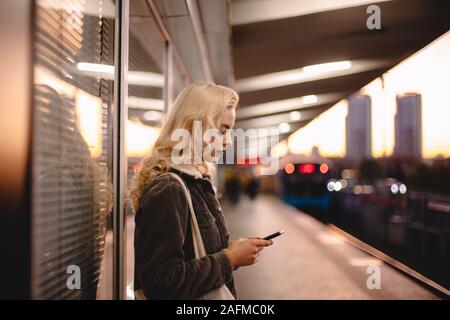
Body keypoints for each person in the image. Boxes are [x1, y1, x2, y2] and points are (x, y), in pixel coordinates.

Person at [130, 82, 273, 299]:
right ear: (197, 125)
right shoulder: (169, 189)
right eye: (223, 130)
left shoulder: (195, 180)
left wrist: (233, 251)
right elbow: (161, 282)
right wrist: (229, 259)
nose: (228, 141)